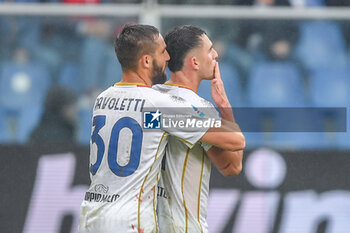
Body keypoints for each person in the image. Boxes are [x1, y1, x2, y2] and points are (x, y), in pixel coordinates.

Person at [78, 24, 245, 233]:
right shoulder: (167, 106)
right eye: (161, 52)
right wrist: (224, 108)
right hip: (151, 223)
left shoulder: (103, 98)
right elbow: (234, 159)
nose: (166, 58)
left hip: (92, 214)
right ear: (146, 60)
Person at [153, 25, 244, 233]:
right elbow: (232, 167)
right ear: (194, 62)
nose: (216, 54)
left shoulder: (151, 97)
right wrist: (224, 107)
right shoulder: (198, 109)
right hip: (183, 226)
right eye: (210, 50)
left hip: (146, 223)